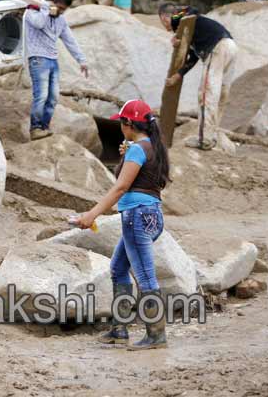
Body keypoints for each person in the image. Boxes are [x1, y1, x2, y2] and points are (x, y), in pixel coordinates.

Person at [73, 99, 170, 350]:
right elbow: (143, 180)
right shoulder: (154, 147)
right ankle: (119, 329)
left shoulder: (138, 149)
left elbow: (121, 187)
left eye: (121, 123)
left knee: (145, 276)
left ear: (128, 124)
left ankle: (156, 335)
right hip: (152, 215)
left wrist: (91, 214)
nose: (120, 127)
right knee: (118, 268)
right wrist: (126, 157)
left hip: (137, 216)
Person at [159, 3, 236, 151]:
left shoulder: (184, 18)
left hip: (217, 48)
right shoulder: (191, 28)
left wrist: (176, 31)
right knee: (220, 96)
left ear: (164, 18)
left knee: (206, 94)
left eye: (164, 21)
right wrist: (179, 75)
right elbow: (194, 56)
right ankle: (212, 135)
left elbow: (192, 10)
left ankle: (204, 139)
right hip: (230, 46)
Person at [24, 0, 89, 140]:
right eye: (58, 8)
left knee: (53, 97)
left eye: (63, 10)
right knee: (41, 95)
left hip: (53, 60)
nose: (59, 12)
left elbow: (69, 40)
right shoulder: (32, 12)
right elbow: (39, 24)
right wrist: (46, 8)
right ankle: (35, 128)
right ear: (52, 1)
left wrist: (81, 60)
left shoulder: (61, 20)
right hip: (38, 58)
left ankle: (44, 126)